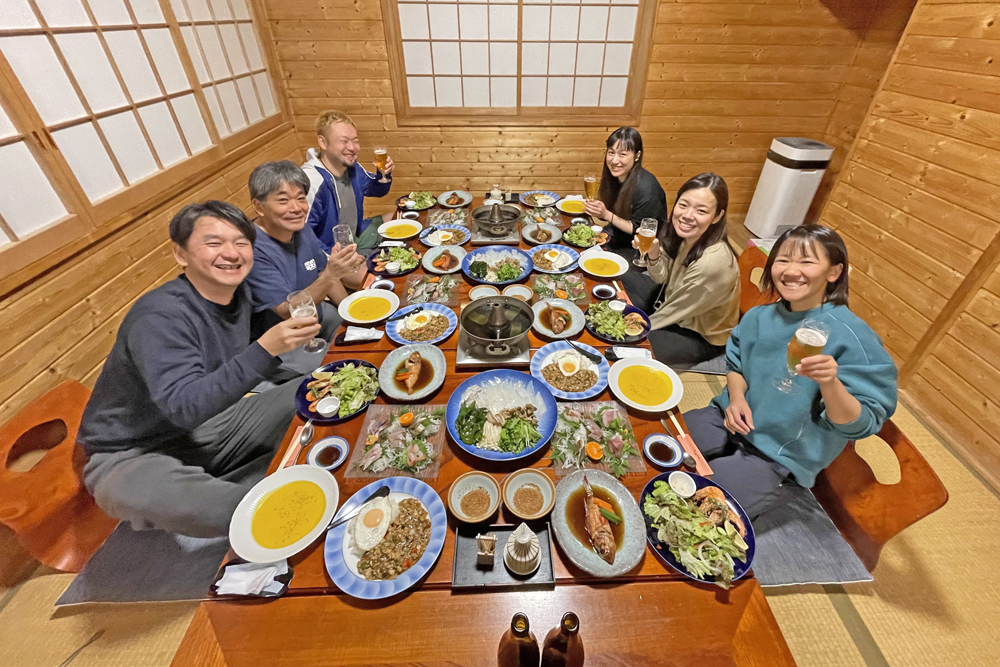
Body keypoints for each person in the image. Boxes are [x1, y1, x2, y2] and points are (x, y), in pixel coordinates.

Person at [78, 201, 322, 538]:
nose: (232, 253)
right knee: (253, 512)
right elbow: (184, 407)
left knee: (322, 389)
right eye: (214, 243)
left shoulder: (239, 294)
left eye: (241, 242)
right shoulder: (160, 316)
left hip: (209, 425)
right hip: (131, 453)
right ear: (181, 254)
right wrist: (266, 349)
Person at [681, 225, 898, 519]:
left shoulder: (854, 338)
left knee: (690, 511)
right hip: (725, 419)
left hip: (777, 457)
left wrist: (830, 383)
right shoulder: (760, 316)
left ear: (834, 272)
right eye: (783, 260)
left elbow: (861, 424)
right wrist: (736, 398)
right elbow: (735, 365)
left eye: (806, 262)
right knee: (655, 447)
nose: (791, 270)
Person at [244, 160, 365, 352]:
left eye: (301, 198)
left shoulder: (301, 229)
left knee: (366, 337)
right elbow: (287, 312)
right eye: (283, 200)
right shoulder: (251, 250)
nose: (296, 208)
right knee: (343, 362)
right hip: (284, 343)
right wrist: (331, 274)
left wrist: (351, 316)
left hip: (318, 315)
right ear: (259, 207)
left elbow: (322, 273)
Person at [622, 173, 739, 367]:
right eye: (683, 205)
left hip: (699, 333)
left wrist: (632, 326)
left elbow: (674, 311)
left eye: (701, 211)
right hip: (670, 298)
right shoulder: (682, 235)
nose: (687, 215)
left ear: (718, 216)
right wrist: (653, 253)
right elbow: (661, 279)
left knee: (632, 351)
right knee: (620, 274)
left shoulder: (713, 262)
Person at [303, 110, 394, 260]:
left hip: (355, 235)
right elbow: (304, 236)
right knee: (371, 276)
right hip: (331, 252)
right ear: (323, 142)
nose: (352, 147)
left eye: (355, 140)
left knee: (398, 217)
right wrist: (337, 258)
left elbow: (376, 190)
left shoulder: (352, 168)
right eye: (344, 141)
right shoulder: (312, 180)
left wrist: (383, 174)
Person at [583, 127, 667, 255]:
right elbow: (615, 214)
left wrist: (606, 214)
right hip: (615, 236)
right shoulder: (615, 177)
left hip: (638, 250)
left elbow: (638, 230)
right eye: (611, 153)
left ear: (637, 156)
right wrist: (598, 212)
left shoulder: (647, 188)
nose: (615, 160)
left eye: (622, 154)